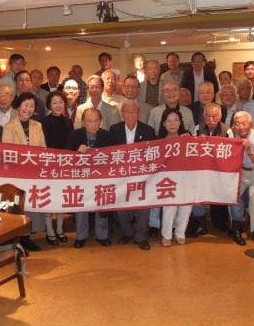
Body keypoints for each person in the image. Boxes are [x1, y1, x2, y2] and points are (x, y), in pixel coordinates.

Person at [3, 92, 47, 252]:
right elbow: (7, 151)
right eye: (25, 105)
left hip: (34, 172)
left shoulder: (37, 125)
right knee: (18, 206)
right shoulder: (9, 126)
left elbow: (43, 148)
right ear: (18, 106)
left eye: (32, 106)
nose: (28, 109)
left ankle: (27, 238)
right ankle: (18, 239)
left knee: (30, 205)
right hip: (17, 173)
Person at [109, 100, 156, 251]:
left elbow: (154, 154)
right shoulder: (114, 130)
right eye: (127, 111)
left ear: (138, 114)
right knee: (121, 206)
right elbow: (108, 154)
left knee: (143, 206)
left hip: (142, 177)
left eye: (133, 111)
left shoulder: (148, 131)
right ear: (122, 114)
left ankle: (141, 237)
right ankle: (128, 233)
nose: (130, 114)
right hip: (120, 177)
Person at [65, 108, 115, 248]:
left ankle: (102, 235)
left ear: (100, 122)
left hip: (101, 178)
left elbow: (114, 158)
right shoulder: (75, 135)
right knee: (81, 206)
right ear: (83, 122)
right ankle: (81, 236)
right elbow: (66, 158)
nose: (93, 124)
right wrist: (77, 153)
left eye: (95, 121)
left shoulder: (107, 136)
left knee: (101, 205)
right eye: (89, 121)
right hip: (81, 178)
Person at [228, 111, 254, 245]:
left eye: (244, 123)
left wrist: (249, 150)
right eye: (237, 124)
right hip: (242, 172)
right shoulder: (231, 134)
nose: (241, 127)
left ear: (250, 124)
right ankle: (236, 229)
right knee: (233, 197)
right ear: (234, 125)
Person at [191, 102, 231, 235]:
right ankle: (201, 223)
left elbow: (231, 152)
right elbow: (191, 150)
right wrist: (198, 142)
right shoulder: (197, 129)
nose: (211, 119)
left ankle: (220, 223)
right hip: (201, 170)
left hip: (220, 171)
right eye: (207, 116)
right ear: (203, 116)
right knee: (198, 195)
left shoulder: (227, 130)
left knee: (218, 195)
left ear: (220, 117)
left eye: (214, 116)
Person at [41, 90, 74, 246]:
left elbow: (70, 144)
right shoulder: (43, 122)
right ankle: (49, 231)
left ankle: (60, 230)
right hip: (48, 165)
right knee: (48, 199)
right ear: (49, 105)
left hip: (64, 165)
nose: (58, 105)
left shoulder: (68, 122)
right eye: (54, 102)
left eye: (61, 102)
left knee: (61, 199)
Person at [157, 108, 192, 246]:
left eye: (176, 120)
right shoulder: (159, 141)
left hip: (186, 178)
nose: (172, 124)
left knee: (186, 206)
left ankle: (180, 233)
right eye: (169, 121)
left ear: (180, 122)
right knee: (169, 207)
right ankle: (166, 235)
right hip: (167, 179)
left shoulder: (188, 138)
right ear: (163, 124)